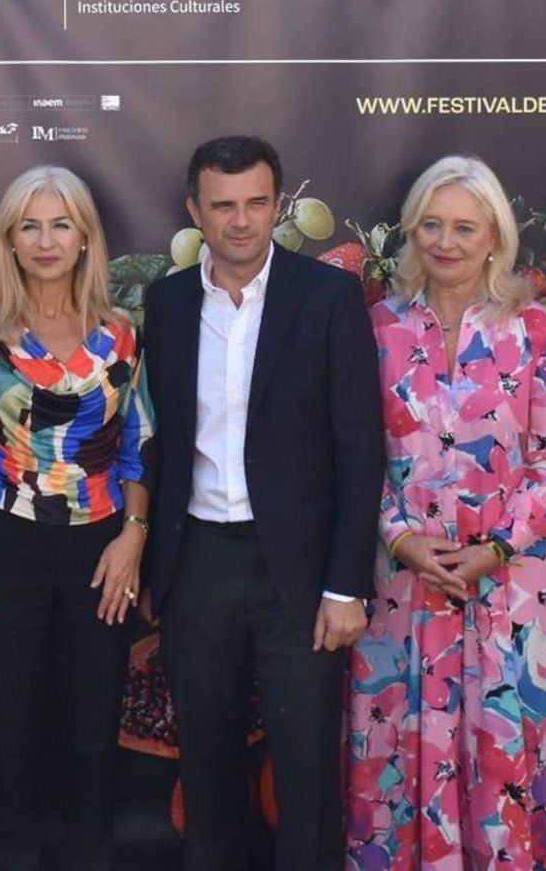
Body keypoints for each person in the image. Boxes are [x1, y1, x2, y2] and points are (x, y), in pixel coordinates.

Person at [140, 134, 385, 871]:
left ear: (278, 206)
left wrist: (346, 584)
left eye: (255, 204)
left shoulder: (330, 296)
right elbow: (156, 440)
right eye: (222, 206)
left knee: (306, 771)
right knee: (208, 770)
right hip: (198, 564)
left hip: (302, 575)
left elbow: (360, 448)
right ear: (194, 210)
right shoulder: (169, 303)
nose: (240, 222)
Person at [346, 154, 546, 871]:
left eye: (464, 227)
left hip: (513, 591)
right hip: (404, 589)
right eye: (432, 225)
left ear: (495, 238)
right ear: (412, 231)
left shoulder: (536, 329)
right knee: (398, 756)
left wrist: (496, 546)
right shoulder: (377, 328)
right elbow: (355, 452)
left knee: (508, 754)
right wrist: (400, 539)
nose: (446, 242)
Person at [0, 165, 156, 871]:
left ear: (86, 237)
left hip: (100, 549)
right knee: (7, 735)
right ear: (10, 239)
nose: (46, 239)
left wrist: (133, 538)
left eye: (61, 224)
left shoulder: (121, 334)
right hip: (3, 546)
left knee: (91, 736)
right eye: (30, 225)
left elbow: (140, 444)